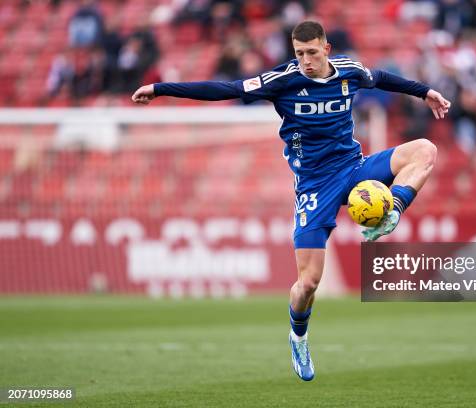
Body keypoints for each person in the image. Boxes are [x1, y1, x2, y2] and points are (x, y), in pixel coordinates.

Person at [132, 21, 450, 381]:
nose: (306, 61)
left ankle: (392, 209)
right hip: (314, 188)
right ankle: (298, 336)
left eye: (312, 53)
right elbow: (225, 88)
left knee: (425, 149)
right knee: (309, 283)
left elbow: (383, 77)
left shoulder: (349, 71)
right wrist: (160, 88)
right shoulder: (282, 81)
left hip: (354, 169)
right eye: (299, 54)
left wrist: (425, 92)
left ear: (326, 50)